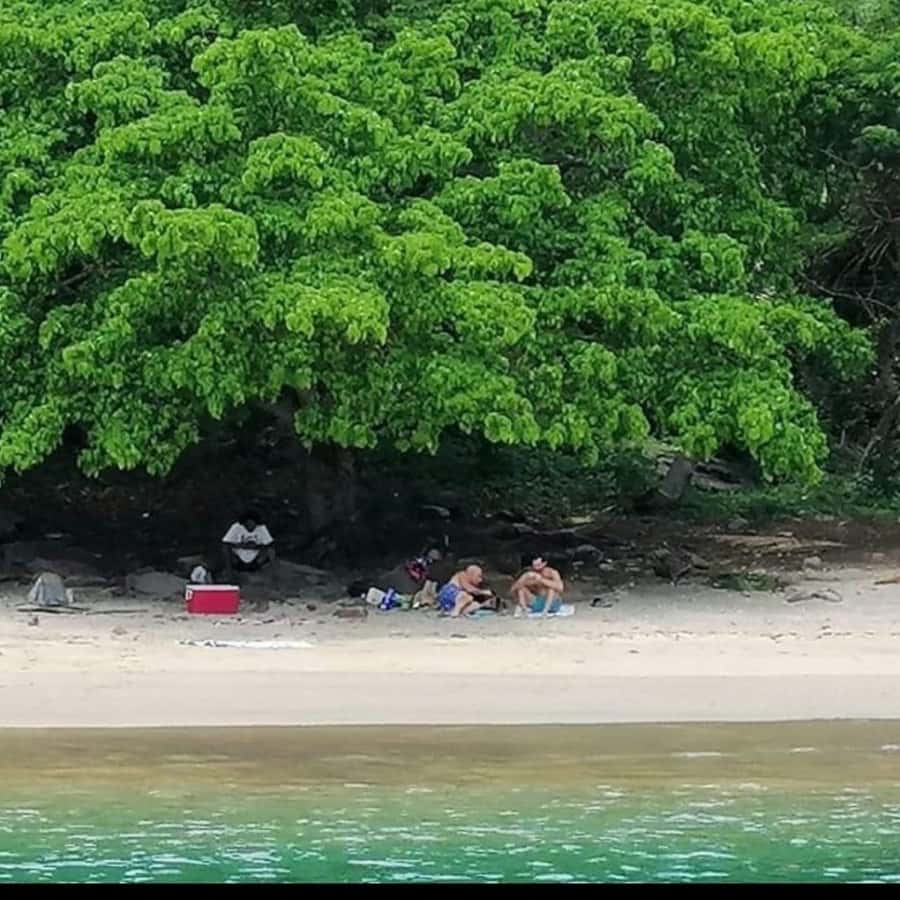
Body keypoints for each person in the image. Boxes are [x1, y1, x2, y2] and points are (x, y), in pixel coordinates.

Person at [222, 510, 276, 582]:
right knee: (225, 549)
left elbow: (270, 545)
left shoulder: (262, 528)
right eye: (247, 524)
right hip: (238, 559)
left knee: (270, 550)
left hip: (256, 560)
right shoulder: (236, 527)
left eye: (252, 524)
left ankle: (273, 573)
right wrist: (240, 545)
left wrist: (256, 546)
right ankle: (230, 573)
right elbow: (226, 543)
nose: (250, 526)